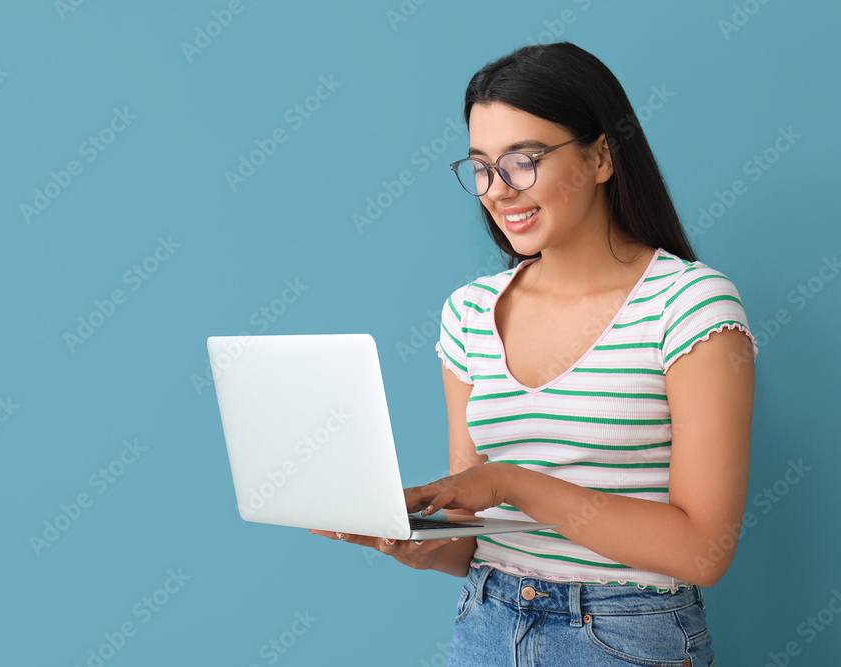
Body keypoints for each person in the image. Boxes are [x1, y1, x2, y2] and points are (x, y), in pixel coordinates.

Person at [312, 42, 756, 665]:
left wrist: (510, 482)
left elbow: (703, 550)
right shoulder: (469, 312)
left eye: (525, 161)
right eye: (482, 167)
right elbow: (471, 538)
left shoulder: (689, 305)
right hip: (487, 622)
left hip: (624, 636)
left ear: (601, 155)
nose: (499, 190)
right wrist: (414, 541)